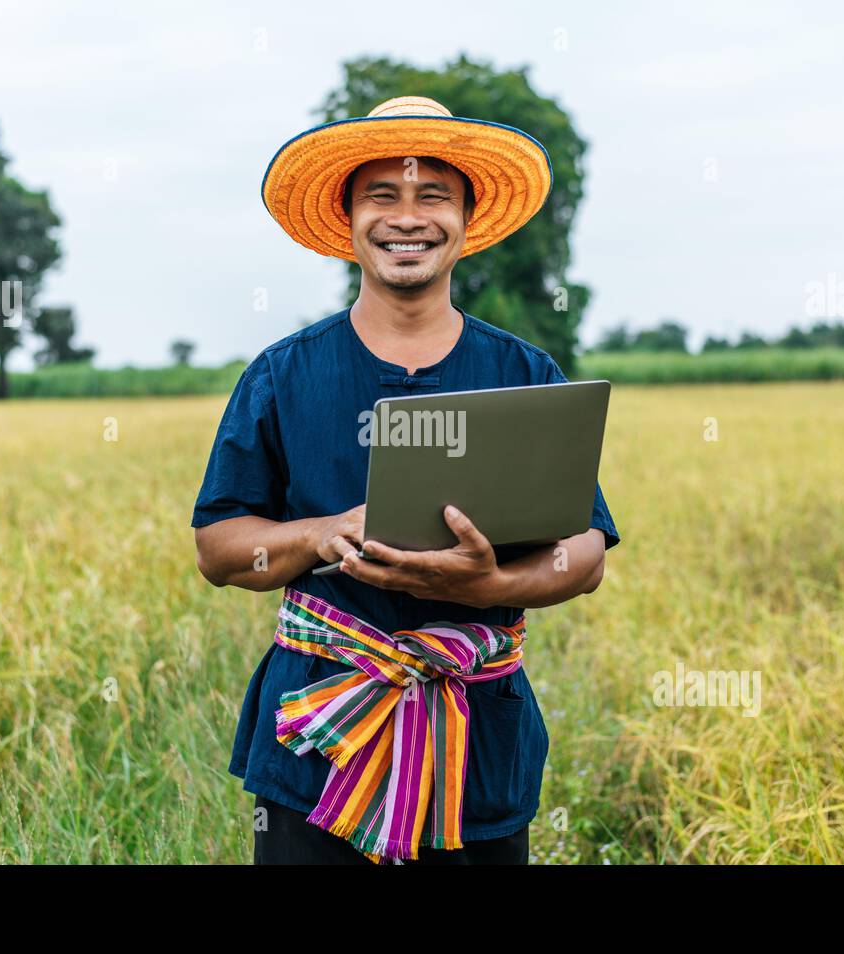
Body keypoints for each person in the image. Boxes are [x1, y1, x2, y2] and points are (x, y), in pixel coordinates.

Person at [192, 95, 619, 864]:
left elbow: (584, 554)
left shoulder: (525, 375)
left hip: (479, 739)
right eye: (382, 195)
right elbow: (220, 549)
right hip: (316, 736)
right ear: (348, 218)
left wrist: (487, 587)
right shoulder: (282, 376)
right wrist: (323, 532)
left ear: (466, 218)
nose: (407, 217)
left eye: (434, 197)